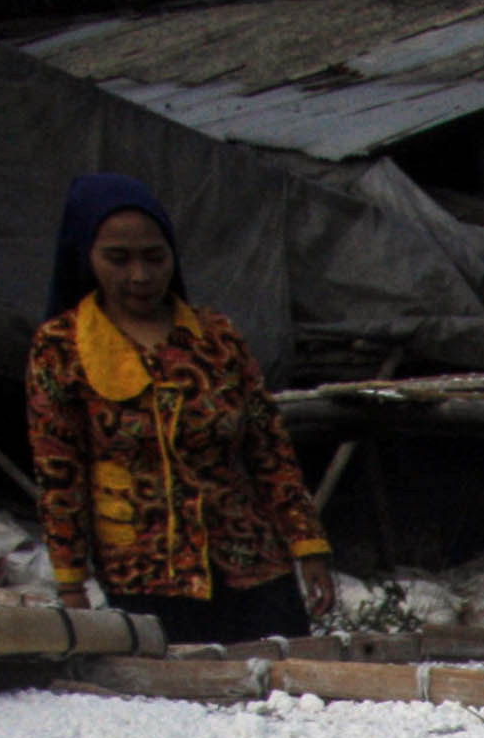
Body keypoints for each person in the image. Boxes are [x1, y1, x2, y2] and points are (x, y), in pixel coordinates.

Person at [24, 174, 335, 642]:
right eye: (118, 258)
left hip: (250, 561)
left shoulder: (217, 338)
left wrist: (308, 546)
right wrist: (71, 584)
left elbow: (270, 452)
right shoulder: (61, 348)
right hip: (143, 575)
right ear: (85, 255)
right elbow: (59, 473)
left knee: (284, 694)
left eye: (155, 257)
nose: (140, 276)